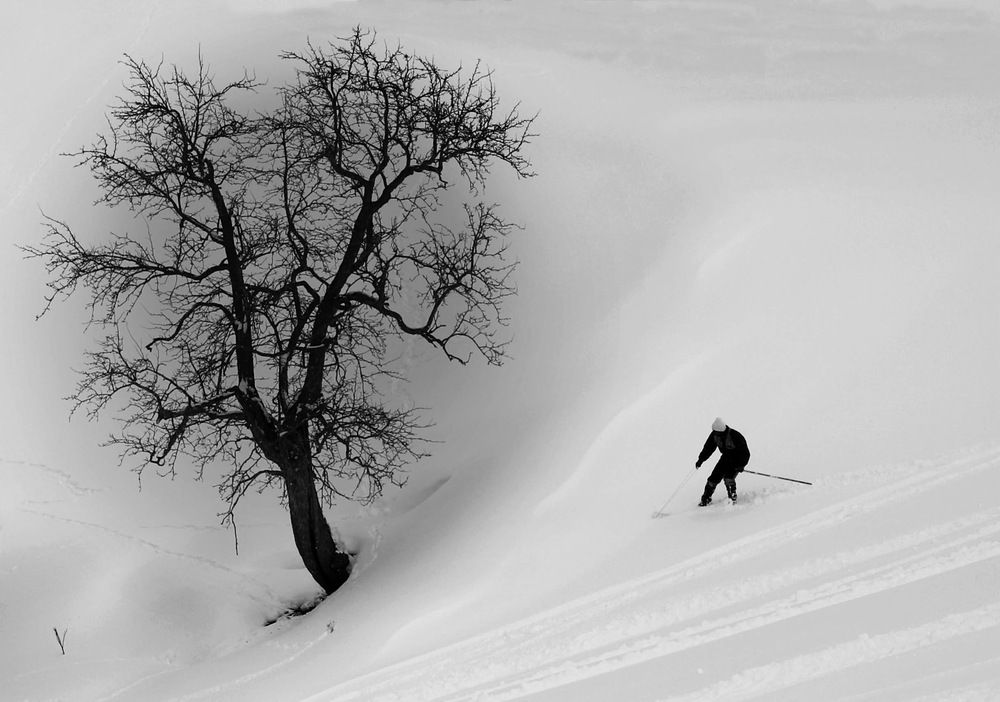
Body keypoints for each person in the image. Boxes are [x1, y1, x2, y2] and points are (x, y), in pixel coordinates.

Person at [695, 417, 751, 506]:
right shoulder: (714, 435)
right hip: (725, 458)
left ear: (721, 431)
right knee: (713, 479)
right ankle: (706, 499)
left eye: (716, 432)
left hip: (736, 460)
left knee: (728, 478)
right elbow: (708, 448)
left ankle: (732, 498)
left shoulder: (735, 436)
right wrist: (701, 460)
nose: (714, 433)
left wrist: (741, 465)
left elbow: (745, 453)